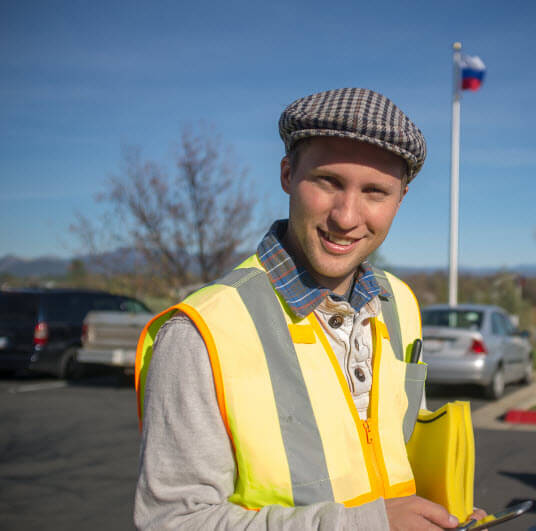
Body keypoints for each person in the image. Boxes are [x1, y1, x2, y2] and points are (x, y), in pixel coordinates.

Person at [134, 88, 485, 530]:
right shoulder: (202, 332)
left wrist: (440, 513)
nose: (346, 216)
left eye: (375, 192)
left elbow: (388, 464)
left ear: (401, 198)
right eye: (328, 181)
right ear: (287, 174)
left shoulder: (399, 305)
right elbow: (173, 522)